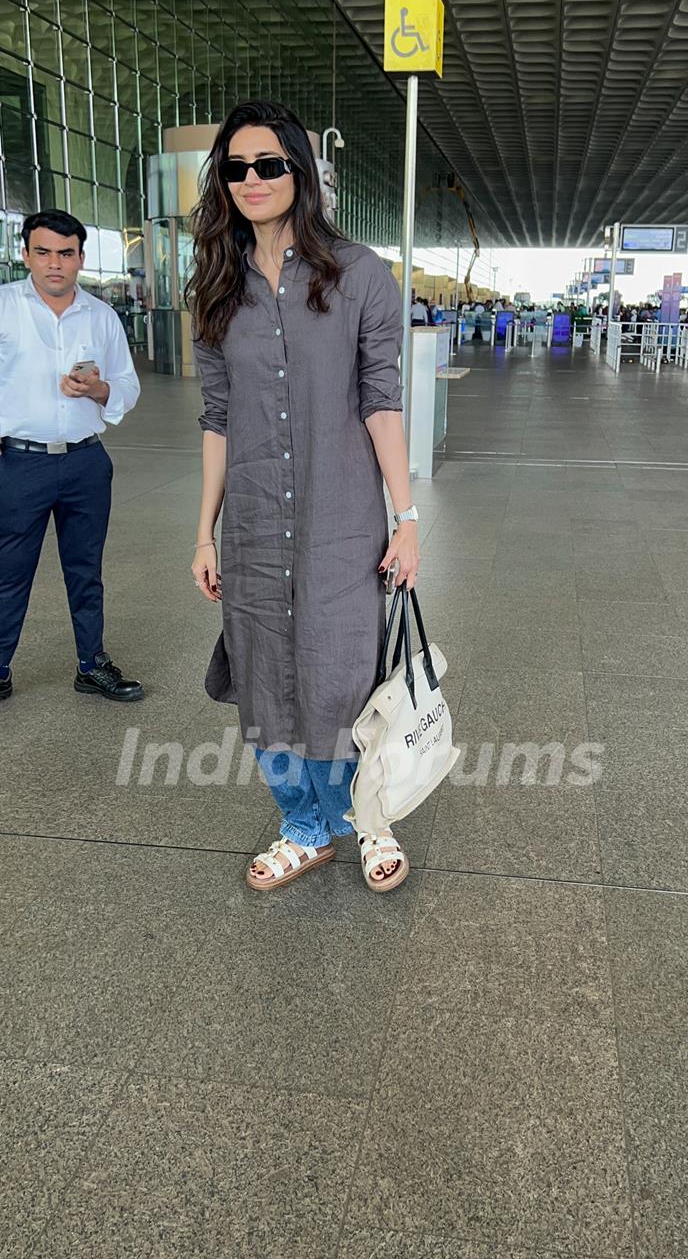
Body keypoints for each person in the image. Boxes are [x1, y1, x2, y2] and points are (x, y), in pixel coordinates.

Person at [187, 100, 419, 894]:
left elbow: (381, 403)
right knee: (265, 677)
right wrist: (204, 533)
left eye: (268, 165)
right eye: (235, 168)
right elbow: (217, 420)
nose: (251, 180)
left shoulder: (360, 276)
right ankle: (304, 826)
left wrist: (407, 518)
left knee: (340, 673)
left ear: (300, 172)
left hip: (340, 521)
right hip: (252, 523)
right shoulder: (217, 288)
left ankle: (364, 818)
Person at [0, 209, 142, 703]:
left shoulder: (101, 315)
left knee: (85, 568)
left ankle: (91, 664)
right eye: (43, 252)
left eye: (65, 253)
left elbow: (127, 384)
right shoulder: (3, 307)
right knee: (9, 569)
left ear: (80, 258)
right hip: (19, 462)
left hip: (85, 462)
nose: (54, 263)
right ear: (26, 255)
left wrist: (100, 389)